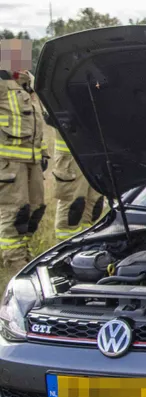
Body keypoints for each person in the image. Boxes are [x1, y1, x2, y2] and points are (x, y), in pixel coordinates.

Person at [0, 68, 48, 268]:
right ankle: (14, 262)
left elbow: (35, 124)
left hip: (32, 160)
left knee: (35, 210)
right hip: (8, 163)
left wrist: (44, 152)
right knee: (15, 213)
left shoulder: (27, 86)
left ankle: (22, 251)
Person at [52, 135, 104, 240]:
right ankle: (65, 249)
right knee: (74, 209)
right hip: (71, 156)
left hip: (96, 154)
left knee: (94, 208)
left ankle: (86, 243)